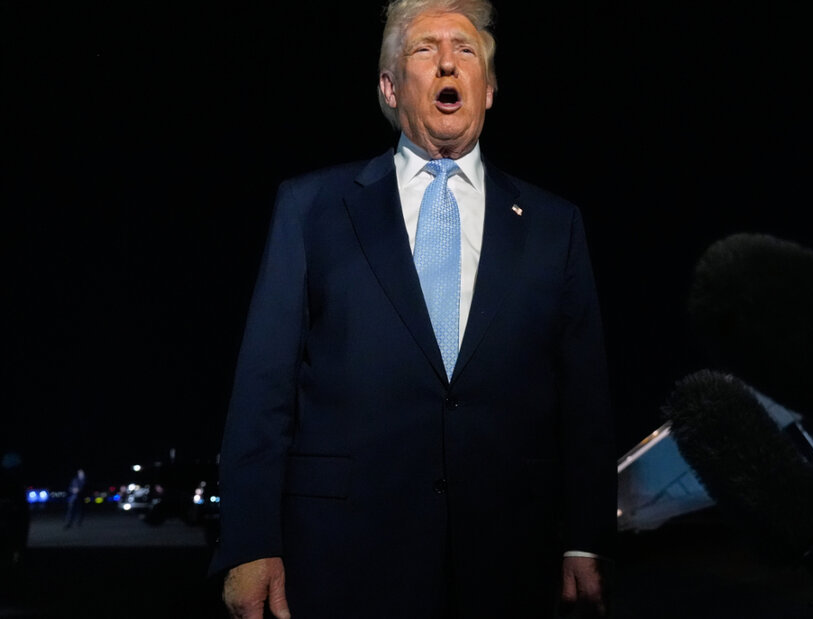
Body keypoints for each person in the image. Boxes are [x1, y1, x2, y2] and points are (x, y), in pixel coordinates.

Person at [209, 1, 617, 617]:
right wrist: (249, 542)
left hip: (512, 558)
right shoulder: (311, 207)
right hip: (343, 556)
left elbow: (584, 395)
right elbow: (264, 386)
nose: (448, 62)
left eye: (466, 50)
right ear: (390, 87)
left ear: (489, 89)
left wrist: (586, 538)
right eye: (425, 49)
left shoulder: (553, 225)